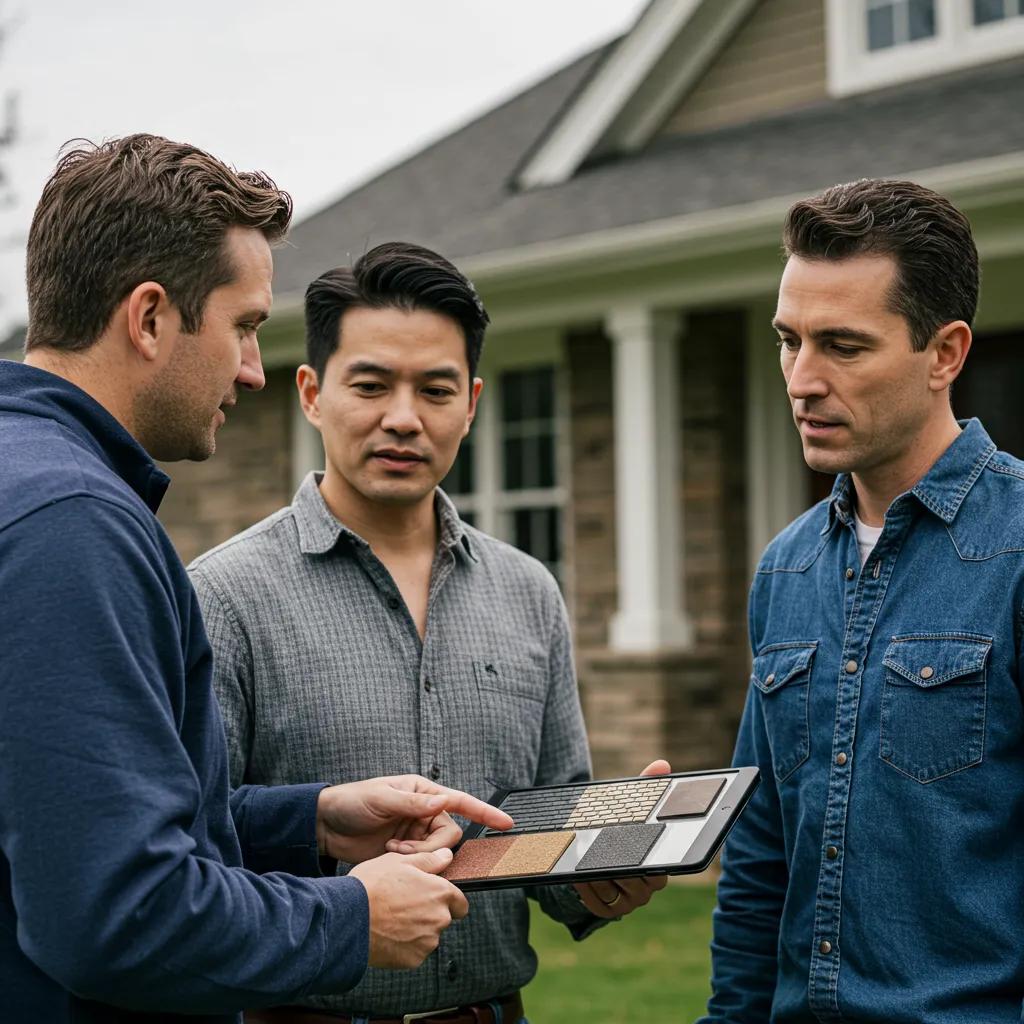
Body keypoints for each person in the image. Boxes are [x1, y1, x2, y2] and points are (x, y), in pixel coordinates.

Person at [0, 135, 514, 1024]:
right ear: (151, 317)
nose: (252, 367)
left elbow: (67, 822)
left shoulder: (29, 481)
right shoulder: (71, 525)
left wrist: (307, 819)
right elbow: (115, 916)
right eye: (241, 325)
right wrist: (351, 917)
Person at [187, 241, 669, 1024]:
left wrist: (600, 872)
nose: (403, 419)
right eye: (371, 385)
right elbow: (196, 843)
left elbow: (542, 827)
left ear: (471, 402)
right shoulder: (224, 595)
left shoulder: (528, 591)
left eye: (435, 390)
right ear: (311, 393)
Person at [699, 178, 1024, 1023]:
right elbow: (760, 858)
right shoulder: (788, 568)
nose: (802, 380)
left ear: (944, 353)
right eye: (788, 341)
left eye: (842, 346)